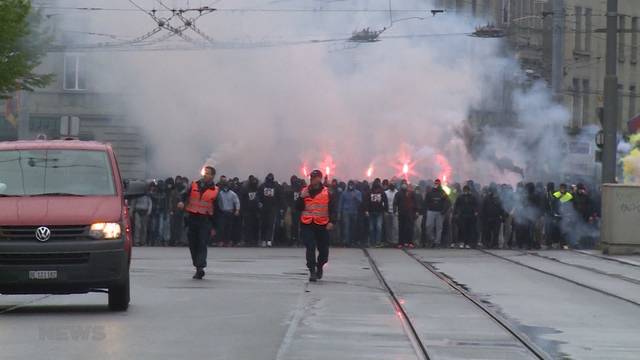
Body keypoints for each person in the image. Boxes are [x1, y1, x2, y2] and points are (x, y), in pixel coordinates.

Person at [177, 166, 219, 280]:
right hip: (192, 218)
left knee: (202, 244)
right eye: (205, 173)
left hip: (205, 220)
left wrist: (215, 227)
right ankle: (197, 265)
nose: (205, 175)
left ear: (213, 176)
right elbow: (183, 195)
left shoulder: (215, 191)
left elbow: (217, 210)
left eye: (208, 173)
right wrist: (181, 201)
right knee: (193, 244)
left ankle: (200, 268)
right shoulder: (194, 185)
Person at [297, 170, 336, 282]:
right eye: (311, 177)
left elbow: (333, 208)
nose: (312, 179)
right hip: (307, 223)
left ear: (319, 178)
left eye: (315, 177)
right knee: (310, 247)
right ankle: (312, 271)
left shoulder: (327, 192)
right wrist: (301, 198)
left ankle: (320, 266)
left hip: (322, 224)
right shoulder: (304, 191)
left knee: (324, 251)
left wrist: (332, 221)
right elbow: (298, 208)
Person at [424, 179, 451, 248]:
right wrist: (426, 210)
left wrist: (444, 211)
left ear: (440, 184)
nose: (436, 185)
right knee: (428, 226)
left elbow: (448, 203)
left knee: (439, 228)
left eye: (438, 183)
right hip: (431, 211)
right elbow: (426, 202)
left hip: (440, 212)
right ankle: (432, 239)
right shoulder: (430, 192)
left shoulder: (443, 192)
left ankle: (437, 242)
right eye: (435, 183)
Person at [259, 173, 282, 247]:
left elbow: (279, 197)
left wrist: (279, 206)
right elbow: (258, 196)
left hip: (272, 208)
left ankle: (268, 240)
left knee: (270, 224)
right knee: (264, 224)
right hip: (264, 208)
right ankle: (263, 240)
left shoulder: (276, 186)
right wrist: (259, 203)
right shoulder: (262, 186)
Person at [216, 178, 241, 247]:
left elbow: (237, 202)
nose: (226, 188)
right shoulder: (220, 194)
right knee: (221, 227)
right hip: (222, 212)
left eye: (227, 186)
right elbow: (217, 202)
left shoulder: (233, 194)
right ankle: (220, 241)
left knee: (229, 228)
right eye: (224, 186)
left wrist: (237, 210)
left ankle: (227, 241)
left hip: (230, 212)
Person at [393, 180, 417, 248]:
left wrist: (416, 211)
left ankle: (410, 242)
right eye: (403, 184)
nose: (404, 185)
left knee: (409, 228)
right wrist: (395, 211)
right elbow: (395, 203)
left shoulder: (411, 193)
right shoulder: (398, 193)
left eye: (405, 184)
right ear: (401, 185)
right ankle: (401, 243)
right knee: (401, 228)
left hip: (410, 213)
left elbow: (415, 203)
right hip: (401, 213)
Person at [364, 180, 388, 247]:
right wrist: (366, 210)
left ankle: (377, 242)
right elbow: (366, 202)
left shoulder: (381, 192)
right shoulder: (370, 192)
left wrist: (385, 210)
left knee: (378, 227)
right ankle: (373, 242)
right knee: (373, 228)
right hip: (371, 212)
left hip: (379, 212)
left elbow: (385, 202)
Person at [338, 180, 362, 247]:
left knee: (353, 227)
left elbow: (360, 202)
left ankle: (352, 241)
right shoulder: (344, 193)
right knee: (346, 227)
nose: (351, 186)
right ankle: (346, 241)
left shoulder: (358, 193)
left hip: (354, 212)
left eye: (352, 184)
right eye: (349, 184)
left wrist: (355, 197)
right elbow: (340, 203)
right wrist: (339, 213)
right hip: (346, 212)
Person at [240, 175, 261, 246]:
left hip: (256, 211)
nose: (254, 182)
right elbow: (242, 200)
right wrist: (243, 210)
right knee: (248, 226)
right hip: (247, 211)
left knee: (256, 226)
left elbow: (261, 200)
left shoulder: (258, 190)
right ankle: (248, 240)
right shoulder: (245, 189)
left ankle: (255, 240)